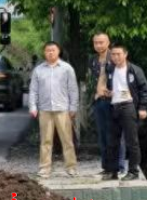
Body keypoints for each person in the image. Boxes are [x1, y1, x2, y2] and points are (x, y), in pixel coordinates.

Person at [29, 42, 80, 179]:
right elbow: (33, 90)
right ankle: (44, 168)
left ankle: (71, 167)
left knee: (67, 140)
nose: (50, 52)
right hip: (45, 109)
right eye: (47, 50)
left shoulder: (67, 68)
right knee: (45, 140)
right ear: (44, 52)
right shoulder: (38, 70)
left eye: (53, 50)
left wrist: (73, 107)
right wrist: (33, 106)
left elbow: (73, 89)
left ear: (58, 51)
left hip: (62, 109)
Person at [103, 45, 148, 181]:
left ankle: (133, 171)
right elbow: (113, 86)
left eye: (118, 54)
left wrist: (143, 108)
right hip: (114, 106)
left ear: (125, 54)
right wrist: (109, 93)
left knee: (131, 141)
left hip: (129, 106)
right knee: (112, 141)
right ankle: (113, 171)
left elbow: (144, 89)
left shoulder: (134, 70)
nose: (115, 57)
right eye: (113, 54)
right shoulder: (110, 68)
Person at [89, 33, 127, 176]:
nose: (98, 45)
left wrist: (114, 91)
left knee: (116, 134)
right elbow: (93, 79)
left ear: (108, 42)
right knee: (102, 135)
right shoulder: (93, 60)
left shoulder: (115, 56)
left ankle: (119, 166)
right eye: (96, 42)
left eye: (101, 42)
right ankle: (106, 167)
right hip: (99, 101)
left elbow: (123, 77)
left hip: (114, 101)